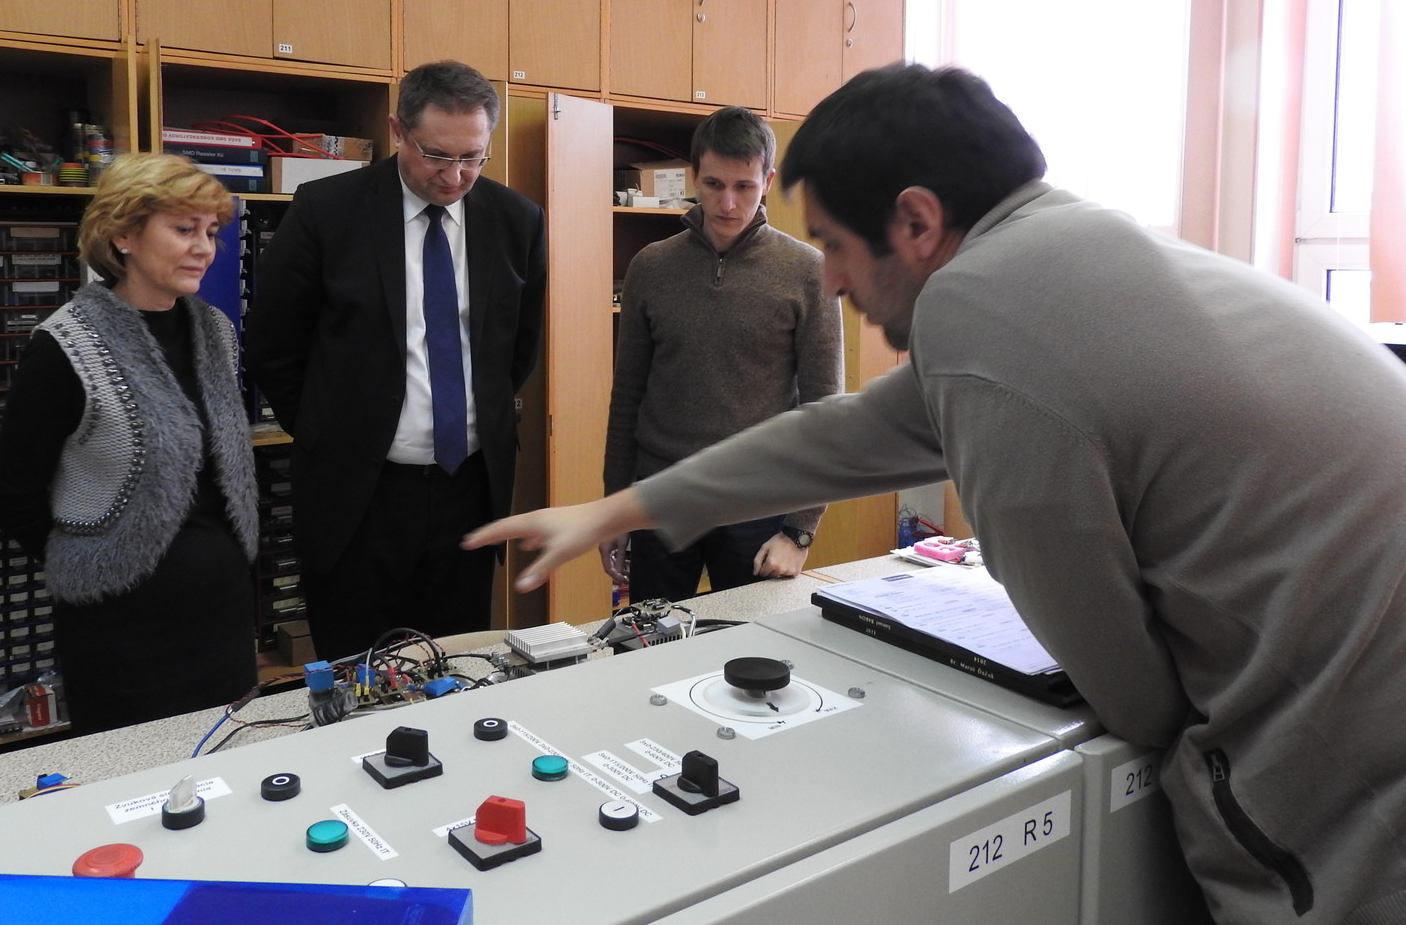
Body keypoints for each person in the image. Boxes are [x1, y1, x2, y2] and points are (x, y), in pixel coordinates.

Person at [468, 62, 1406, 925]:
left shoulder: (986, 323)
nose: (832, 279)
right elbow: (843, 435)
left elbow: (1133, 700)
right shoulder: (1058, 249)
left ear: (917, 222)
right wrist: (618, 509)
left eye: (836, 245)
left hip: (1339, 732)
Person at [243, 60, 546, 663]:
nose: (455, 175)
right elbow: (273, 343)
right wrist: (332, 431)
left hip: (468, 489)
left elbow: (517, 349)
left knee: (457, 666)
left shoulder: (517, 220)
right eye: (437, 155)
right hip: (360, 493)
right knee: (360, 673)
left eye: (473, 157)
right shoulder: (328, 209)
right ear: (398, 131)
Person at [0, 152, 259, 735]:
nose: (204, 248)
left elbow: (219, 475)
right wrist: (97, 560)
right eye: (184, 229)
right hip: (123, 634)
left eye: (210, 232)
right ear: (123, 235)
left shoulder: (215, 331)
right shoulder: (65, 346)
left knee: (227, 764)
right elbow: (14, 496)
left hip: (223, 619)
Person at [602, 106, 841, 602]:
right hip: (663, 494)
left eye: (744, 187)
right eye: (713, 184)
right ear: (695, 175)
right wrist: (614, 510)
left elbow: (825, 411)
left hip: (757, 500)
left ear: (768, 182)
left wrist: (800, 530)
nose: (728, 203)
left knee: (754, 644)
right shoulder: (652, 266)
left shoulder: (808, 271)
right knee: (654, 639)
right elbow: (627, 396)